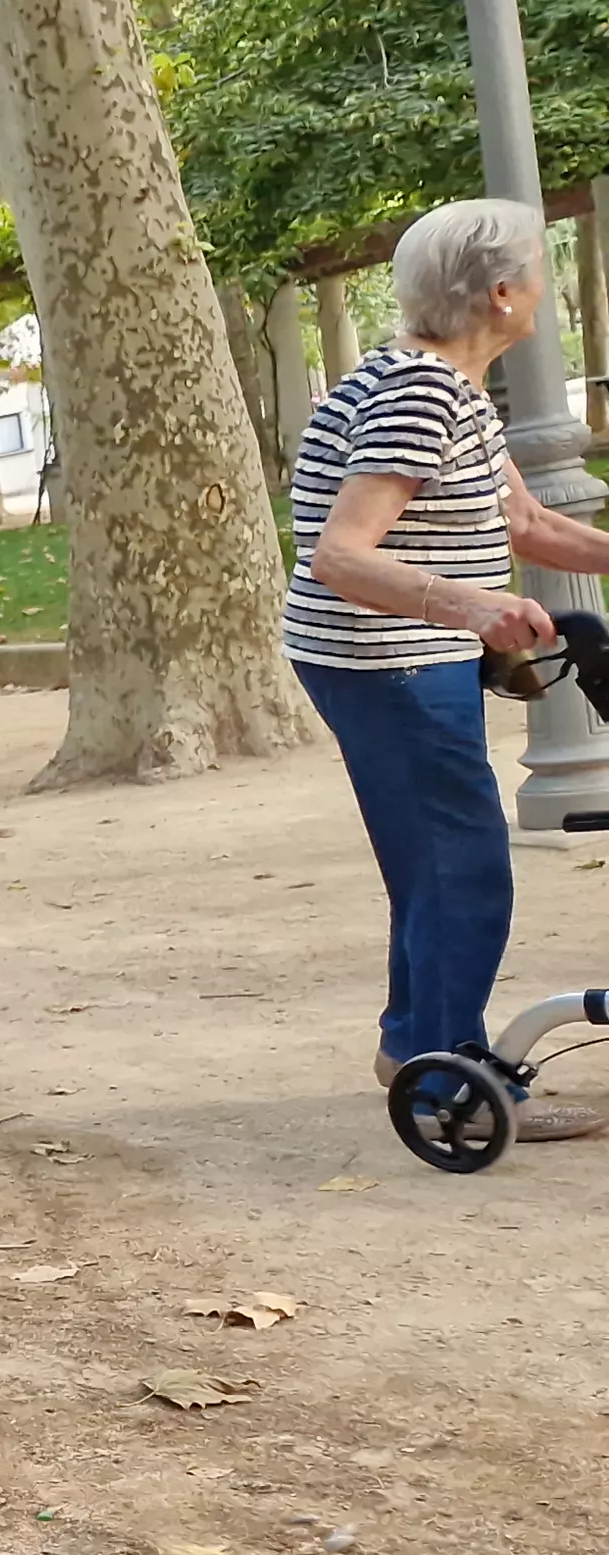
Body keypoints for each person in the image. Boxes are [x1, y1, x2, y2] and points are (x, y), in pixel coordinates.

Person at [292, 197, 609, 1135]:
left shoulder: (449, 388)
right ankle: (452, 1089)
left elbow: (527, 524)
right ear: (503, 294)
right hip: (387, 662)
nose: (545, 291)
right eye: (537, 276)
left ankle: (414, 1045)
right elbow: (341, 554)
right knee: (465, 867)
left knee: (432, 866)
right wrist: (471, 606)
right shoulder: (419, 395)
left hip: (403, 656)